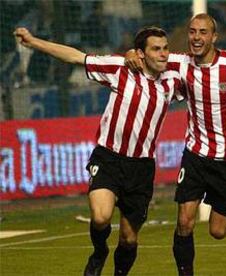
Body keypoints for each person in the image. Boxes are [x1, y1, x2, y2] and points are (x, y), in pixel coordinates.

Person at [14, 26, 182, 276]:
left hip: (142, 167)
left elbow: (203, 68)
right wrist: (33, 41)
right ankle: (99, 250)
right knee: (101, 217)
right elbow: (74, 57)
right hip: (109, 158)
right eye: (156, 49)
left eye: (165, 48)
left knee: (128, 239)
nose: (163, 54)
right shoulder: (119, 68)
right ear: (141, 53)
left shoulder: (173, 79)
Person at [126, 13, 226, 276]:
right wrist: (130, 53)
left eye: (203, 32)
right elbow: (146, 55)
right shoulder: (179, 63)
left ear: (214, 37)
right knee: (184, 221)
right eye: (192, 32)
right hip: (196, 154)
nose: (196, 37)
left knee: (217, 231)